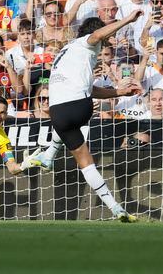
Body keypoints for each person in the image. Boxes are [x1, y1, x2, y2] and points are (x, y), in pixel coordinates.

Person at [30, 11, 144, 222]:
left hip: (58, 114)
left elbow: (88, 88)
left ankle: (49, 155)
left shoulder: (68, 52)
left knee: (85, 163)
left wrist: (118, 92)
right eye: (105, 40)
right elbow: (97, 36)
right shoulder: (86, 42)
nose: (104, 45)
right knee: (86, 161)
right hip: (80, 108)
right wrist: (128, 19)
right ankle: (115, 207)